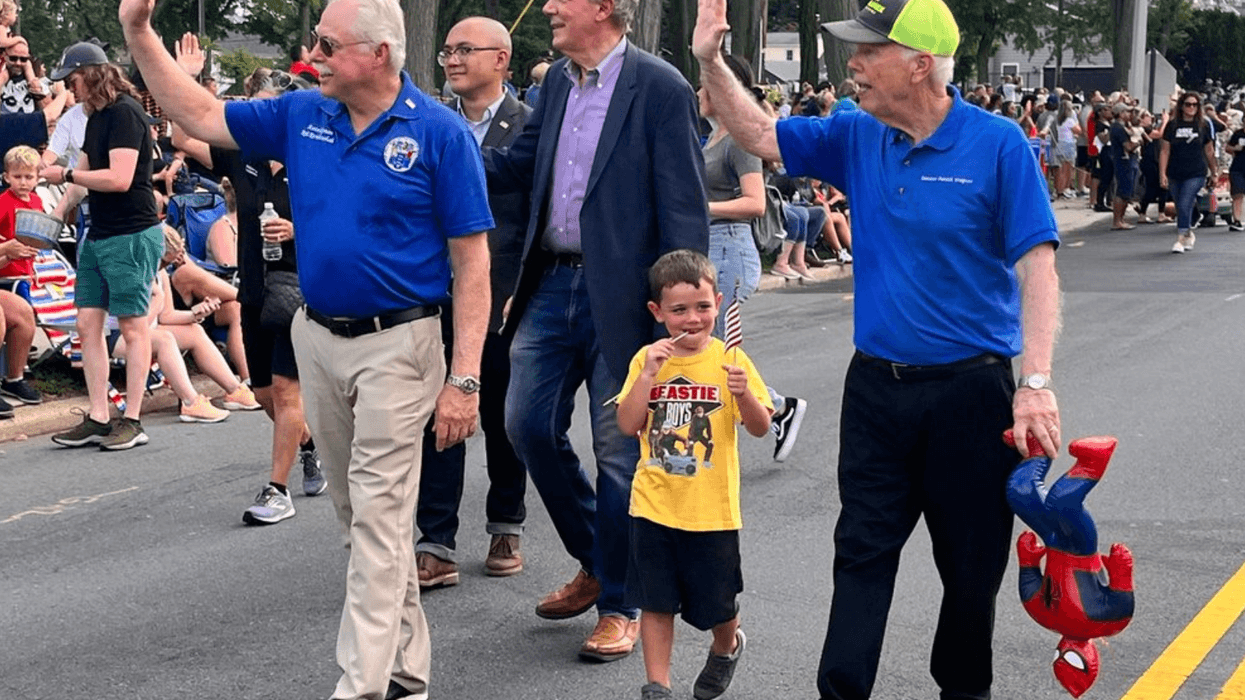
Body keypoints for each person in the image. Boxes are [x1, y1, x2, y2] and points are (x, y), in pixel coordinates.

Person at [122, 0, 493, 697]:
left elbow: (473, 264)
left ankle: (360, 686)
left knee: (381, 518)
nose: (311, 53)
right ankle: (408, 673)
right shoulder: (302, 114)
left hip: (400, 344)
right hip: (318, 339)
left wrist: (464, 379)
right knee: (359, 520)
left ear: (377, 54)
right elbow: (200, 114)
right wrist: (138, 33)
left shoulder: (440, 134)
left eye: (326, 43)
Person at [692, 0, 1062, 697]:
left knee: (970, 566)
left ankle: (963, 689)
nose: (851, 65)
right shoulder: (857, 135)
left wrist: (1034, 380)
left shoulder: (997, 143)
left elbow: (1037, 266)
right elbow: (763, 135)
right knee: (859, 552)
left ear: (919, 64)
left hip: (971, 394)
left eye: (868, 52)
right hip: (876, 393)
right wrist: (710, 60)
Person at [482, 0, 709, 663]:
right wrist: (444, 150)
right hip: (550, 285)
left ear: (604, 8)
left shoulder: (659, 86)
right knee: (524, 425)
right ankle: (598, 558)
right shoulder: (554, 80)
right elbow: (518, 166)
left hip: (627, 298)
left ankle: (620, 604)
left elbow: (683, 203)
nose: (548, 6)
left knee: (620, 452)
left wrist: (681, 311)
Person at [170, 54, 325, 525]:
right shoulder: (242, 153)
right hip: (255, 289)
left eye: (265, 109)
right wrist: (191, 78)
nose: (256, 118)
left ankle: (276, 490)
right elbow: (181, 137)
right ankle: (312, 445)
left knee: (286, 387)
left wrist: (299, 232)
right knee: (262, 396)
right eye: (252, 108)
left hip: (303, 290)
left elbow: (349, 222)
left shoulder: (314, 156)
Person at [617, 249, 772, 700]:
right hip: (653, 504)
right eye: (679, 310)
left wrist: (744, 396)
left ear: (719, 304)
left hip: (712, 512)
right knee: (656, 601)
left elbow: (762, 427)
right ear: (658, 312)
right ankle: (657, 687)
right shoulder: (647, 359)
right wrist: (648, 374)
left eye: (702, 307)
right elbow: (628, 425)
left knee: (717, 607)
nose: (692, 319)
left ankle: (726, 647)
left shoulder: (731, 360)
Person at [414, 16, 531, 588]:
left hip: (506, 296)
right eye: (447, 52)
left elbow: (540, 218)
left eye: (465, 50)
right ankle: (435, 541)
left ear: (501, 59)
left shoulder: (532, 128)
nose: (453, 60)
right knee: (440, 414)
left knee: (504, 416)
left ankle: (506, 522)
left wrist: (524, 292)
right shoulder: (426, 126)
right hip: (435, 296)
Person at [44, 41, 164, 451]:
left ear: (92, 74)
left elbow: (119, 178)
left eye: (72, 80)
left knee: (132, 326)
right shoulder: (93, 117)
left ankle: (132, 418)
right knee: (86, 324)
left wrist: (65, 176)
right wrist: (56, 209)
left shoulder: (126, 113)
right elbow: (80, 174)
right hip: (99, 232)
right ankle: (98, 414)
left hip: (131, 231)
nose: (69, 89)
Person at [1160, 91, 1218, 254]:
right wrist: (1162, 173)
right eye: (1188, 104)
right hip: (1175, 171)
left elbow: (1209, 150)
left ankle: (1180, 238)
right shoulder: (1172, 125)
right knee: (1180, 205)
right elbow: (1165, 151)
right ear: (1182, 106)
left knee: (1186, 201)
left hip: (1196, 171)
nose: (1191, 107)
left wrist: (1214, 172)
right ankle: (1187, 233)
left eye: (1195, 105)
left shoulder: (1203, 125)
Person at [1109, 103, 1139, 230]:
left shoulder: (1122, 127)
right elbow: (1127, 146)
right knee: (1122, 191)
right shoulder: (1118, 128)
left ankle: (1121, 219)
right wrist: (1138, 142)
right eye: (1127, 112)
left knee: (1127, 191)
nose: (1129, 115)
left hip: (1127, 161)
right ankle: (1117, 220)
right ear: (1120, 113)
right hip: (1123, 161)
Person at [1225, 116, 1245, 231]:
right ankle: (1236, 220)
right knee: (1238, 195)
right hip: (1238, 168)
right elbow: (1227, 148)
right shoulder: (1238, 134)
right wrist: (1235, 148)